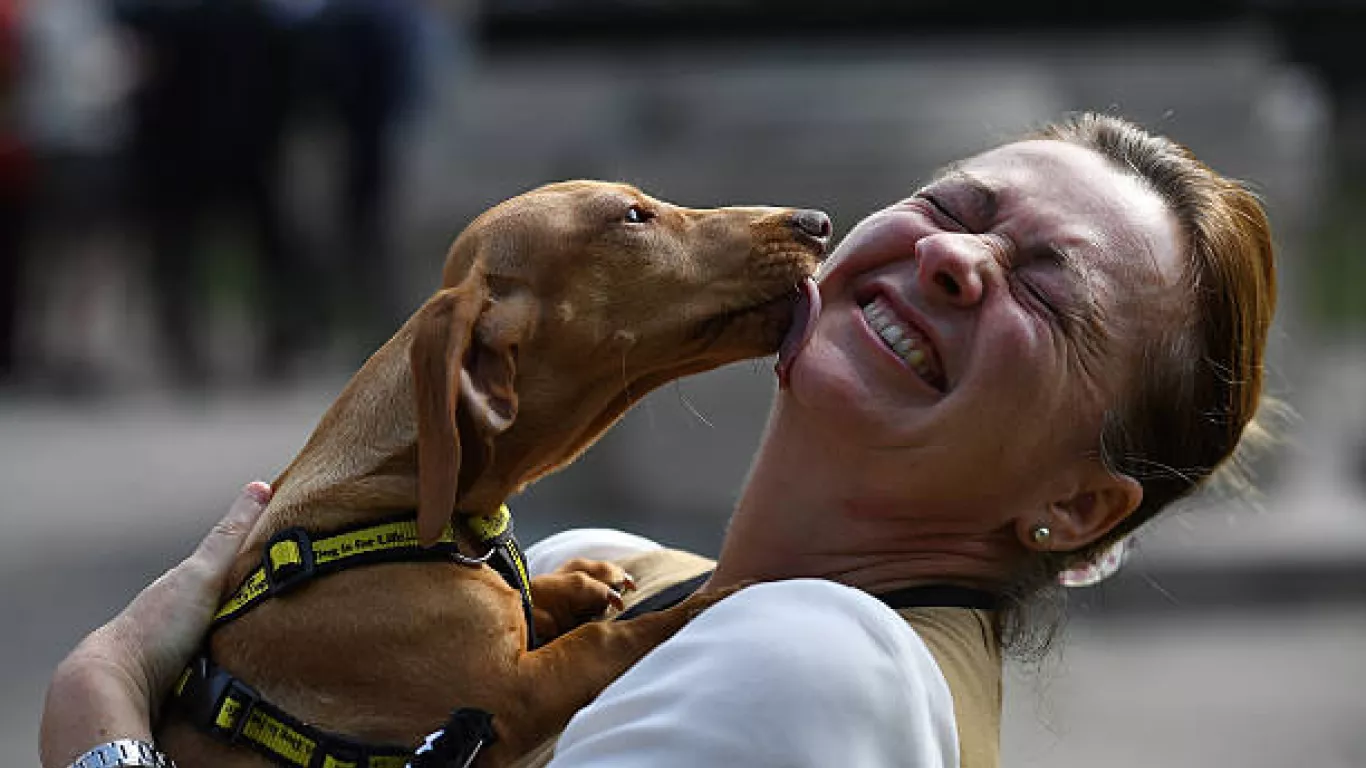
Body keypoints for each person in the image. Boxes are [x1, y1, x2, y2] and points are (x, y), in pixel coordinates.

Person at [40, 112, 1277, 768]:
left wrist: (99, 732)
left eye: (1048, 294)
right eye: (952, 208)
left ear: (1077, 510)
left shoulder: (810, 670)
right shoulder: (605, 583)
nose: (957, 256)